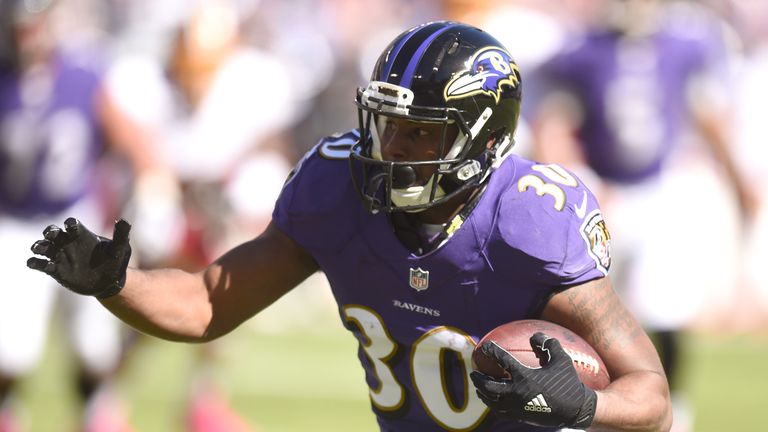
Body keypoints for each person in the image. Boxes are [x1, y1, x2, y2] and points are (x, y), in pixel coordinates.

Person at [27, 21, 672, 431]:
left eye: (421, 133)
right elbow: (205, 304)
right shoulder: (338, 191)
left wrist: (586, 406)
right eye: (387, 126)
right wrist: (119, 283)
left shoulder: (529, 219)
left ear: (483, 138)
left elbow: (653, 397)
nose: (393, 150)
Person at [527, 1, 757, 430]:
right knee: (583, 309)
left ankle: (673, 406)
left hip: (659, 191)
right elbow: (551, 124)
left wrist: (736, 176)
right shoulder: (580, 50)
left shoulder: (686, 43)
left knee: (663, 307)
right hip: (602, 192)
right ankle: (589, 401)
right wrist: (576, 183)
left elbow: (707, 116)